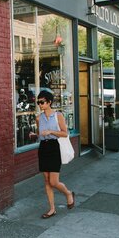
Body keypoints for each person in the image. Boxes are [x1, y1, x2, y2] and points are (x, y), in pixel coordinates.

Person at [35, 90, 75, 219]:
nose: (40, 104)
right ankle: (52, 209)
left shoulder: (58, 116)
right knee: (46, 181)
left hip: (54, 147)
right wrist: (35, 135)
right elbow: (40, 134)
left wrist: (51, 131)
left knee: (53, 181)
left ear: (49, 102)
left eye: (42, 102)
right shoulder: (38, 118)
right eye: (38, 102)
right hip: (43, 148)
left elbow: (65, 133)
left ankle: (68, 193)